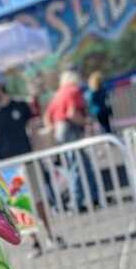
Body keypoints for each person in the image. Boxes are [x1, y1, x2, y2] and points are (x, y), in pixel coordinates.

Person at [0, 70, 54, 251]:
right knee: (20, 205)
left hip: (28, 160)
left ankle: (51, 236)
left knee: (38, 200)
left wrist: (39, 153)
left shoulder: (21, 106)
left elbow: (33, 131)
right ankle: (34, 242)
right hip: (9, 167)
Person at [45, 71, 100, 212]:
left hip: (60, 132)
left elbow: (47, 116)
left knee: (80, 165)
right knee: (76, 166)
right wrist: (86, 122)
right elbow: (72, 113)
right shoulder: (73, 91)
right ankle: (77, 202)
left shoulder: (57, 94)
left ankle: (93, 197)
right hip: (70, 130)